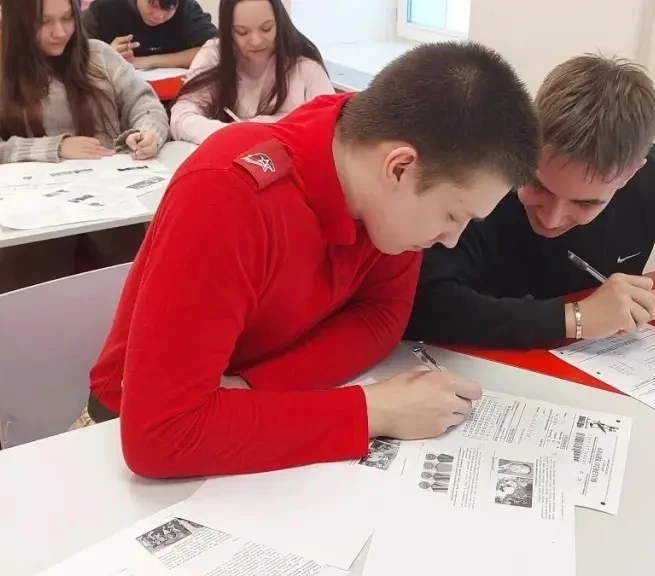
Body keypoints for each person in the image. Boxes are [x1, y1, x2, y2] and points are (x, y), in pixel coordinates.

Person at [84, 42, 540, 479]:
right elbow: (162, 434)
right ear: (399, 168)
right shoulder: (229, 192)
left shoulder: (380, 190)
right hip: (114, 441)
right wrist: (373, 410)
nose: (451, 239)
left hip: (239, 414)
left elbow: (383, 316)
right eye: (453, 216)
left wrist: (252, 388)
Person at [406, 54, 655, 349]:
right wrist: (576, 318)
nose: (552, 218)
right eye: (537, 185)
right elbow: (424, 303)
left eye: (586, 203)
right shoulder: (482, 178)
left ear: (630, 174)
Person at [0, 0, 170, 296]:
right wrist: (54, 148)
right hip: (30, 221)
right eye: (44, 22)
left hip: (112, 208)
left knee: (131, 287)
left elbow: (144, 103)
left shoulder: (99, 55)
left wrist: (148, 132)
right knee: (39, 293)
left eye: (68, 18)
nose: (60, 32)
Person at [169, 0, 333, 144]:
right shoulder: (215, 54)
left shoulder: (304, 64)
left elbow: (331, 126)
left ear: (279, 23)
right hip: (229, 157)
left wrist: (260, 129)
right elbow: (181, 116)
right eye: (242, 32)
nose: (256, 41)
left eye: (266, 28)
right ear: (228, 31)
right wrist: (230, 133)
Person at [82, 0, 216, 70]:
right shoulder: (104, 10)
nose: (158, 16)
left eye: (168, 8)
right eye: (152, 4)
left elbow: (215, 49)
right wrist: (106, 55)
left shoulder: (186, 7)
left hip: (176, 95)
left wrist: (147, 62)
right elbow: (78, 56)